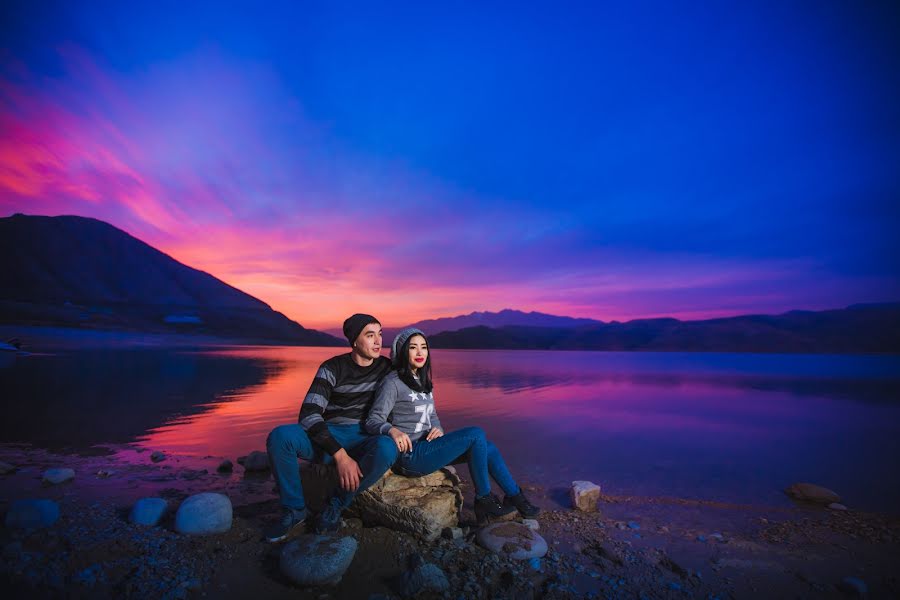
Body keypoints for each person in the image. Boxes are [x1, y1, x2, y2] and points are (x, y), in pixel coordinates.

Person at [366, 327, 539, 524]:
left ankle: (516, 497)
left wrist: (438, 429)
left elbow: (433, 416)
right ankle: (484, 498)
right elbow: (373, 420)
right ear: (402, 352)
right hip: (411, 455)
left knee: (487, 447)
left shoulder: (422, 380)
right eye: (413, 347)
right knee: (476, 433)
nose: (420, 352)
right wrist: (393, 431)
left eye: (424, 347)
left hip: (428, 447)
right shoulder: (392, 383)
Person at [265, 313, 397, 541]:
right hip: (332, 435)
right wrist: (340, 455)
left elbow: (415, 390)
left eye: (380, 334)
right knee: (280, 437)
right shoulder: (332, 368)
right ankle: (295, 509)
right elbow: (308, 415)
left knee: (387, 448)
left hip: (367, 437)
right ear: (354, 340)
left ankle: (335, 505)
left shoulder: (387, 368)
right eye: (370, 335)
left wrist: (430, 427)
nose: (378, 341)